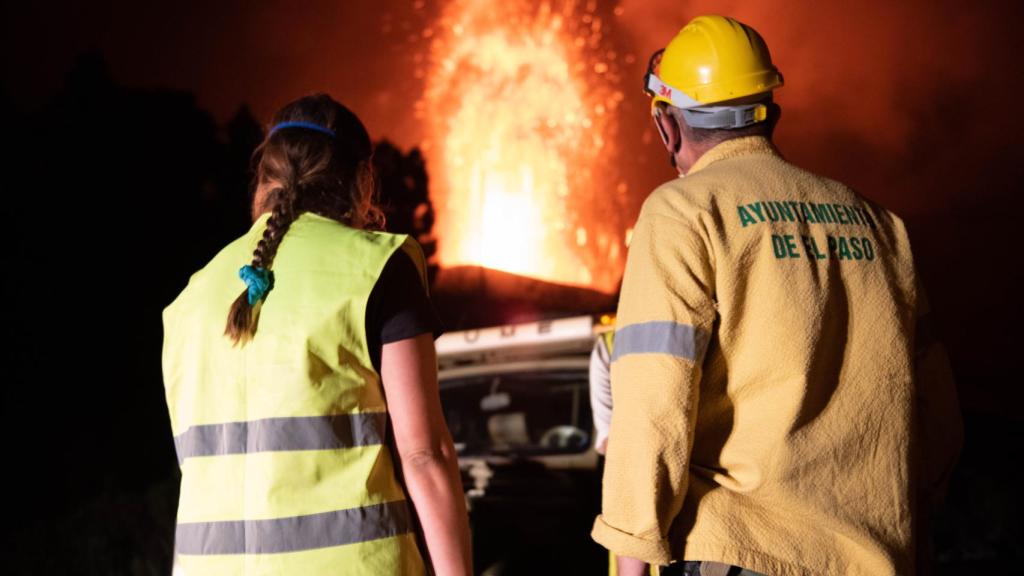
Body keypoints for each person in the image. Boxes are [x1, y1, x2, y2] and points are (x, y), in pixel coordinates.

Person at [591, 15, 962, 576]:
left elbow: (652, 405)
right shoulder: (882, 226)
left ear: (668, 126)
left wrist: (631, 558)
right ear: (770, 111)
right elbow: (939, 419)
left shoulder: (682, 213)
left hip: (737, 555)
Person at [161, 94, 472, 575]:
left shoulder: (189, 299)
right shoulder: (376, 268)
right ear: (360, 181)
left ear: (264, 177)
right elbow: (425, 454)